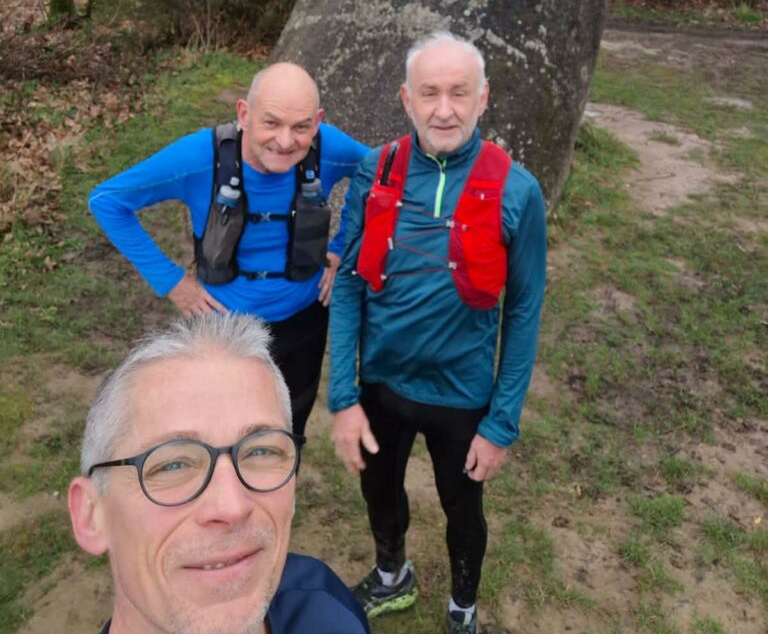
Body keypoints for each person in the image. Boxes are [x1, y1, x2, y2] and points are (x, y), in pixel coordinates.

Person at [329, 32, 547, 634]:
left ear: (484, 98)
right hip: (382, 385)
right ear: (407, 98)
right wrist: (343, 397)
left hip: (462, 396)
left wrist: (501, 424)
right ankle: (392, 575)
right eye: (429, 93)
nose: (443, 110)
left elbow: (524, 311)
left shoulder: (517, 190)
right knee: (379, 492)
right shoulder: (377, 169)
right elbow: (348, 283)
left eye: (459, 93)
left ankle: (462, 608)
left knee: (462, 508)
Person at [89, 62, 368, 436]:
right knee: (218, 432)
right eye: (271, 123)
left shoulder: (329, 149)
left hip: (304, 322)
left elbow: (380, 174)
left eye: (301, 127)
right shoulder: (199, 158)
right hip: (223, 328)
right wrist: (171, 281)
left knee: (288, 429)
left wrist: (343, 248)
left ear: (317, 122)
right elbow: (107, 201)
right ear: (244, 114)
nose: (285, 141)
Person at [68, 311, 371, 634]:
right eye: (172, 465)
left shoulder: (327, 606)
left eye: (260, 451)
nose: (233, 507)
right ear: (91, 515)